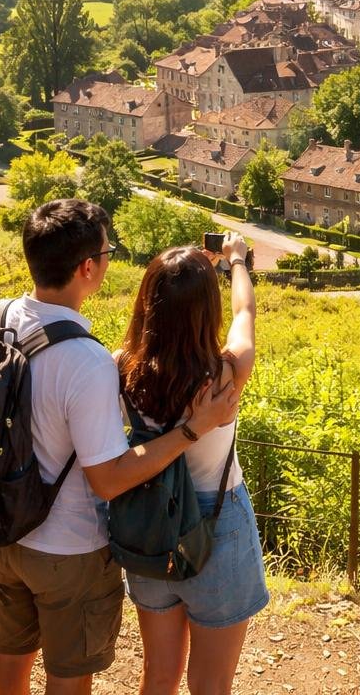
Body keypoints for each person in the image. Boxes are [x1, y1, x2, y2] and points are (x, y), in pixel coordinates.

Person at [0, 200, 238, 695]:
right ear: (88, 268)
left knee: (9, 660)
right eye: (106, 250)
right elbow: (109, 477)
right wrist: (189, 431)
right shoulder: (87, 360)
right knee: (68, 676)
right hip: (66, 547)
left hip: (2, 532)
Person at [120, 235, 265, 695]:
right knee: (210, 685)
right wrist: (236, 260)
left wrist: (177, 269)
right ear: (207, 309)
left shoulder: (123, 368)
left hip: (148, 524)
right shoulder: (225, 374)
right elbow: (245, 314)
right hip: (217, 524)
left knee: (158, 677)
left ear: (148, 304)